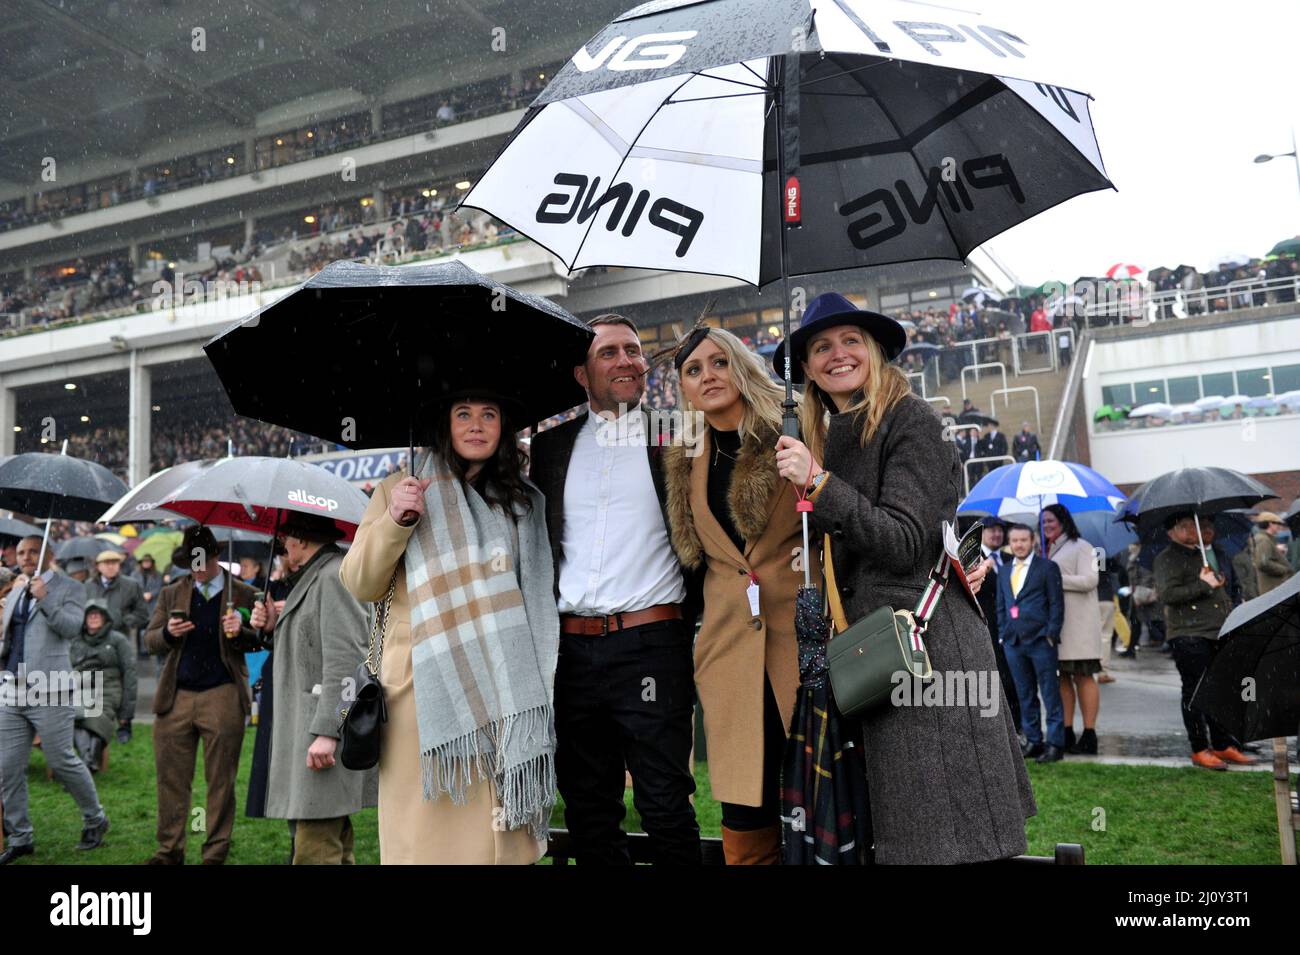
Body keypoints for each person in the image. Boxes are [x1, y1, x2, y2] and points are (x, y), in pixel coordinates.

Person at [771, 292, 1033, 863]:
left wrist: (819, 484)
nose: (836, 354)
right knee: (904, 838)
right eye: (820, 347)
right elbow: (909, 525)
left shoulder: (911, 419)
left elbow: (903, 541)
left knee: (944, 842)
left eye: (850, 341)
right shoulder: (825, 434)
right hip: (874, 653)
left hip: (926, 652)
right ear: (808, 368)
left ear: (875, 350)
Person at [340, 395, 558, 865]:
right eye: (464, 414)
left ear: (504, 426)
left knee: (496, 835)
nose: (476, 425)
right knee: (428, 838)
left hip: (507, 688)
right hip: (424, 693)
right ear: (445, 423)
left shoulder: (522, 499)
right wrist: (396, 520)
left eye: (488, 415)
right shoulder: (401, 487)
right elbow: (360, 581)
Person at [529, 314, 703, 865]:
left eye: (633, 350)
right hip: (571, 651)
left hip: (653, 643)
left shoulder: (680, 434)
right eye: (610, 353)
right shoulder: (550, 447)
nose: (628, 360)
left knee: (664, 801)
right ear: (582, 375)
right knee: (587, 806)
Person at [661, 326, 807, 864]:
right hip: (727, 655)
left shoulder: (793, 429)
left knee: (816, 800)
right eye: (693, 370)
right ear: (684, 388)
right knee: (746, 812)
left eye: (718, 362)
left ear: (741, 366)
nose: (708, 376)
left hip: (801, 645)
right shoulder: (683, 456)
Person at [250, 512, 374, 864]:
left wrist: (329, 731)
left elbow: (349, 661)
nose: (283, 549)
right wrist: (274, 626)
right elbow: (309, 649)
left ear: (300, 540)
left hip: (319, 735)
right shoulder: (317, 576)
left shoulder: (333, 576)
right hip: (307, 732)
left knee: (315, 844)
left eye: (285, 541)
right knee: (325, 837)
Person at [143, 525, 264, 864]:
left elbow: (261, 638)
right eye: (190, 560)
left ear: (214, 557)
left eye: (200, 558)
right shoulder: (171, 594)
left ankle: (214, 852)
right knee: (171, 779)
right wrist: (168, 633)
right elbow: (149, 640)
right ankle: (169, 851)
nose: (195, 566)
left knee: (220, 780)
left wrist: (241, 632)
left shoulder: (242, 592)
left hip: (222, 693)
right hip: (176, 696)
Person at [0, 535, 110, 864]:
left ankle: (95, 818)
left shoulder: (68, 588)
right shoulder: (17, 588)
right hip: (11, 689)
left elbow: (72, 628)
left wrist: (45, 599)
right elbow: (10, 638)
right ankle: (20, 837)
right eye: (21, 552)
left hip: (51, 688)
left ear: (48, 554)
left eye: (34, 551)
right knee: (7, 768)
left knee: (61, 759)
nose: (27, 556)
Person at [1153, 513, 1254, 770]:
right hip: (1188, 634)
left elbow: (1220, 588)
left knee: (1219, 689)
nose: (1191, 530)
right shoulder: (1167, 558)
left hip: (1217, 630)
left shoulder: (1207, 553)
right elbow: (1167, 594)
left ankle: (1222, 744)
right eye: (1183, 526)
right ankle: (1199, 747)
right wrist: (1202, 584)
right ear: (1171, 532)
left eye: (1192, 525)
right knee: (1195, 691)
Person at [996, 524, 1067, 762]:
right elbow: (1001, 606)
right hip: (1013, 642)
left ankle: (1055, 744)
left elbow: (1057, 604)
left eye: (1023, 540)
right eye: (1014, 540)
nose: (1018, 544)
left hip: (1040, 641)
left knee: (1050, 693)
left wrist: (1051, 633)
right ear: (1009, 542)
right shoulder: (1004, 571)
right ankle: (1034, 741)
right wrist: (1003, 634)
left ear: (1033, 540)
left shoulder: (1047, 568)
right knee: (1025, 694)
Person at [1041, 505, 1101, 753]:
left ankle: (1089, 734)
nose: (1046, 526)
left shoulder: (1082, 546)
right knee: (1062, 679)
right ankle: (1066, 732)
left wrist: (1052, 576)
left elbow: (1090, 580)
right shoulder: (1048, 551)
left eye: (1050, 521)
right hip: (1059, 627)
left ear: (1063, 521)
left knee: (1083, 677)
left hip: (1080, 628)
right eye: (1042, 522)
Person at [69, 600, 137, 772]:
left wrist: (126, 713)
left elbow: (130, 672)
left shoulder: (117, 640)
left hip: (108, 688)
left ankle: (85, 764)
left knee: (98, 714)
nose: (93, 617)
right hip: (80, 687)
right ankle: (88, 761)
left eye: (97, 614)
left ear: (105, 618)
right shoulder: (75, 641)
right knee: (76, 716)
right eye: (89, 614)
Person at [975, 518, 1020, 733]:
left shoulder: (1011, 558)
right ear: (982, 534)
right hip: (987, 624)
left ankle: (1019, 726)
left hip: (1012, 625)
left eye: (1000, 531)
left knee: (1014, 676)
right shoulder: (974, 559)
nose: (996, 534)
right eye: (991, 530)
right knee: (997, 675)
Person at [84, 550, 149, 643]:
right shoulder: (88, 585)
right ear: (98, 566)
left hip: (121, 638)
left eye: (114, 563)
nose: (111, 567)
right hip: (94, 639)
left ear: (119, 565)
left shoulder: (131, 585)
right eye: (106, 563)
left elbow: (143, 614)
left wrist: (124, 620)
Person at [1250, 512, 1292, 595]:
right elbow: (1262, 563)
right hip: (1273, 588)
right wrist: (1284, 569)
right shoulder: (1264, 540)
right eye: (1277, 523)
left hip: (1274, 587)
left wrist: (1278, 553)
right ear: (1270, 524)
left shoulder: (1266, 539)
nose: (1280, 526)